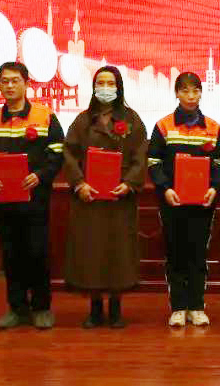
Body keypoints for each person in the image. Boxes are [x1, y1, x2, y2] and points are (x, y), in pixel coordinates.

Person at [0, 61, 65, 330]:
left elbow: (57, 153)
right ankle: (16, 308)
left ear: (27, 83)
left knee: (37, 252)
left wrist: (40, 175)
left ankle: (41, 308)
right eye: (4, 81)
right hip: (3, 199)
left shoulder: (45, 115)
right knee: (10, 254)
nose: (10, 86)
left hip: (35, 198)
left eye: (15, 80)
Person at [63, 66, 149, 328]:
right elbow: (69, 154)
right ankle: (95, 308)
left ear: (119, 87)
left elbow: (141, 155)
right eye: (100, 83)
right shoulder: (82, 120)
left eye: (110, 83)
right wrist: (79, 183)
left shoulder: (132, 120)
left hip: (119, 198)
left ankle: (116, 308)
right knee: (91, 251)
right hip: (88, 198)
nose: (105, 87)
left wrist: (129, 183)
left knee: (118, 252)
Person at [148, 72, 220, 328]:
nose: (191, 96)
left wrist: (215, 188)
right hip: (172, 202)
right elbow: (153, 162)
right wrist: (165, 188)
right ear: (177, 93)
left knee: (198, 253)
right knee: (175, 253)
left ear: (201, 93)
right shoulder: (163, 126)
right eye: (185, 91)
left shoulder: (213, 127)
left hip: (202, 203)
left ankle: (196, 306)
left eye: (195, 91)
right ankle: (178, 307)